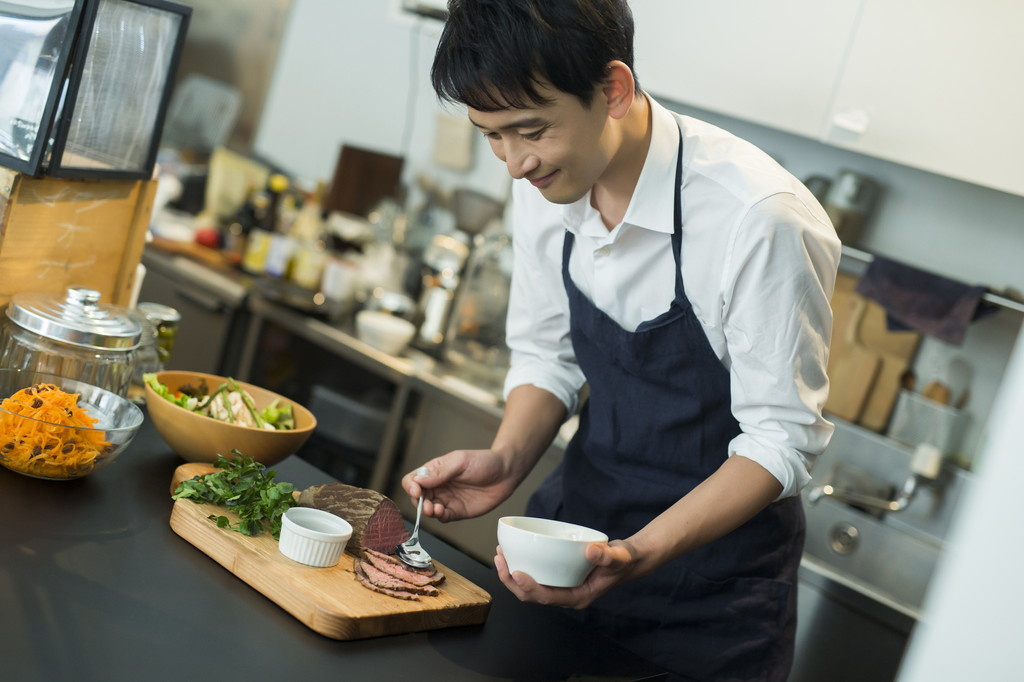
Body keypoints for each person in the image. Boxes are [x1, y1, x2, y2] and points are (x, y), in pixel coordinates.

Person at [400, 1, 841, 679]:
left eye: (530, 131)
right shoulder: (546, 178)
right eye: (491, 135)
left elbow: (781, 440)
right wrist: (508, 458)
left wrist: (638, 553)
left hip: (711, 606)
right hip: (570, 547)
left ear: (613, 89)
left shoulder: (758, 219)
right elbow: (549, 354)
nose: (514, 163)